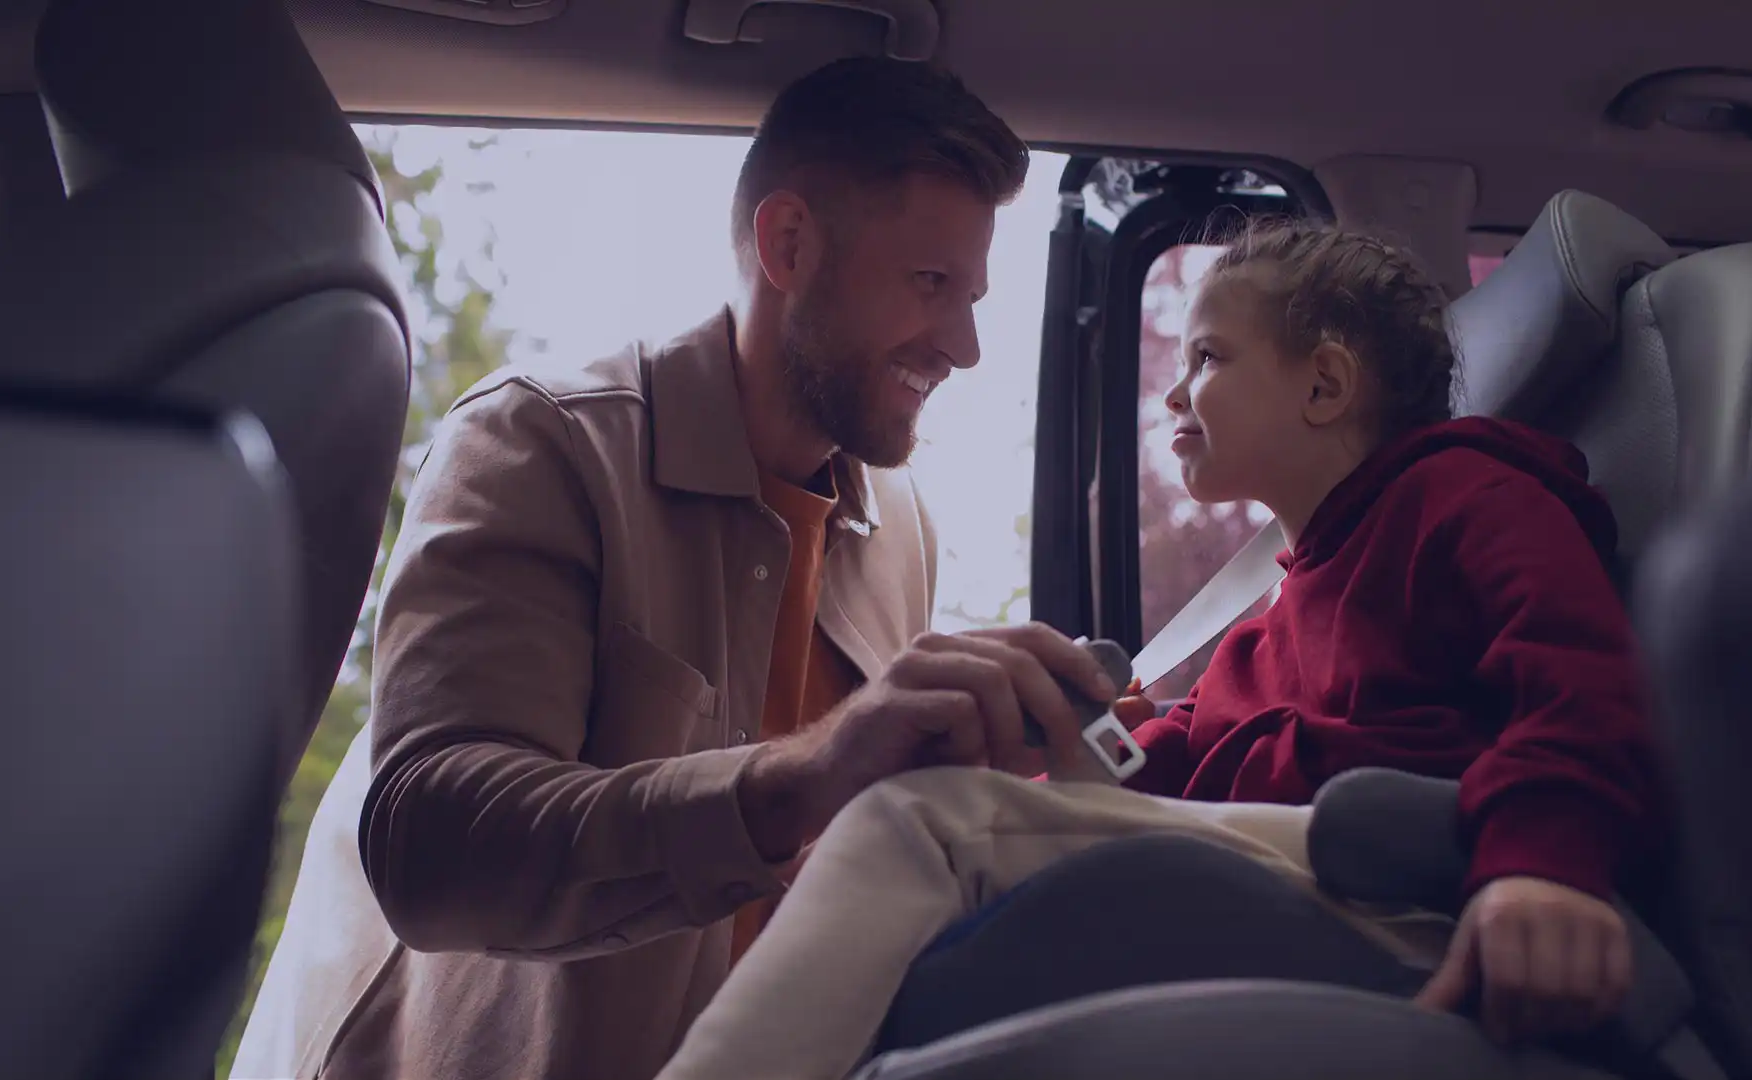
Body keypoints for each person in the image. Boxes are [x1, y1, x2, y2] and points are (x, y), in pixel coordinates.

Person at [231, 57, 1119, 1080]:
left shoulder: (901, 522)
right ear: (788, 245)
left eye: (971, 296)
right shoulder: (539, 444)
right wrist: (806, 774)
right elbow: (431, 848)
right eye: (930, 285)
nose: (963, 345)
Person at [649, 219, 1669, 1080]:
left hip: (1411, 891)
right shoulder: (1281, 607)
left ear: (1325, 387)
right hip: (1298, 860)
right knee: (925, 838)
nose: (1176, 396)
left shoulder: (1469, 499)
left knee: (914, 828)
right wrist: (1062, 736)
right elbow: (1173, 756)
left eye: (1210, 359)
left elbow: (1578, 684)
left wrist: (1543, 867)